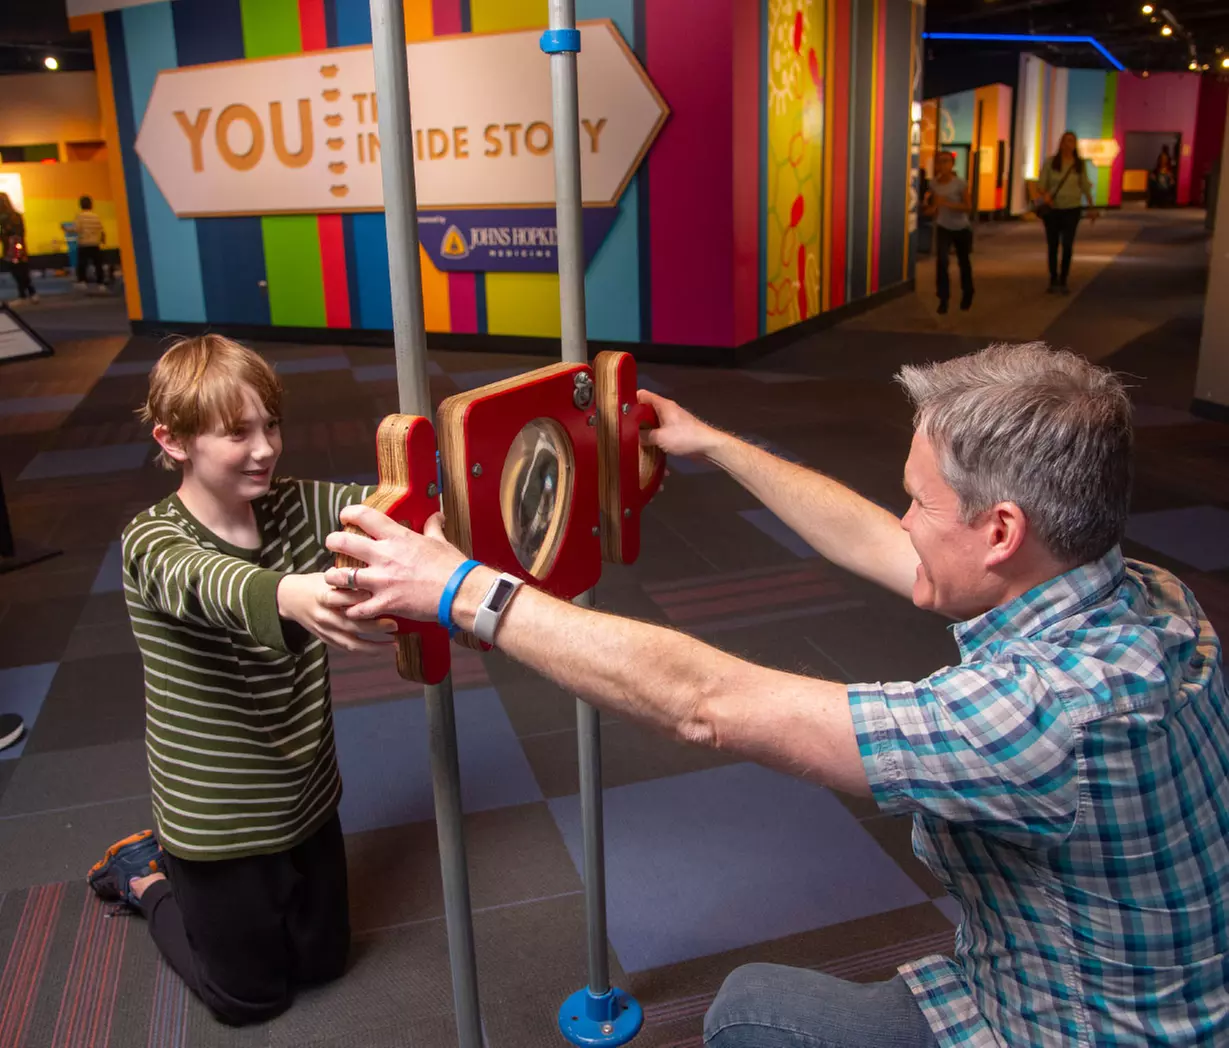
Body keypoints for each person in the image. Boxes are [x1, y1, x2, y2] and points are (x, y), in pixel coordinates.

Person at [325, 343, 1227, 1047]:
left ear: (1000, 531)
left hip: (1060, 1027)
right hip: (1139, 991)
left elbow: (707, 704)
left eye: (919, 501)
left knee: (753, 1010)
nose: (903, 520)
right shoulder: (1147, 597)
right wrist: (715, 442)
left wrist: (458, 591)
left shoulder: (1041, 720)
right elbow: (889, 546)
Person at [85, 335, 396, 1026]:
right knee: (248, 1003)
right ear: (173, 440)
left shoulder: (293, 505)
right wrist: (287, 595)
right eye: (236, 433)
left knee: (325, 967)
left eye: (271, 424)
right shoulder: (152, 540)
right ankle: (145, 876)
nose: (265, 448)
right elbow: (210, 582)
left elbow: (385, 505)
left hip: (305, 795)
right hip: (216, 817)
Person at [1037, 131, 1097, 295]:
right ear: (1061, 143)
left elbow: (1084, 185)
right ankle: (1053, 278)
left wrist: (1091, 207)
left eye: (1072, 141)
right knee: (1053, 245)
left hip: (1072, 209)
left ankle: (1064, 279)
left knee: (1068, 245)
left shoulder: (1079, 164)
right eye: (1066, 141)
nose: (1069, 144)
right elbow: (1041, 184)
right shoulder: (1051, 163)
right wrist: (1045, 195)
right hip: (1053, 210)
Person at [924, 151, 973, 314]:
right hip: (943, 226)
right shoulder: (934, 184)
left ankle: (968, 292)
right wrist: (931, 209)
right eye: (939, 162)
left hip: (961, 228)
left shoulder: (959, 183)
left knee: (963, 262)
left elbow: (968, 207)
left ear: (952, 164)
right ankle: (943, 298)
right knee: (942, 261)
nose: (943, 165)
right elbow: (933, 207)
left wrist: (946, 203)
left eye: (946, 162)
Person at [0, 193, 39, 305]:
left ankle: (25, 295)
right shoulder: (16, 215)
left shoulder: (4, 217)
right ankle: (30, 294)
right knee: (22, 271)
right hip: (20, 247)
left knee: (17, 271)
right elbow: (22, 232)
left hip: (11, 249)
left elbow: (5, 233)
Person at [72, 195, 108, 287]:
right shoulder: (96, 216)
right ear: (91, 204)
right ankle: (101, 283)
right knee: (98, 264)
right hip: (95, 243)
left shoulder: (79, 216)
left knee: (82, 264)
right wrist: (103, 241)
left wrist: (66, 229)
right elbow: (101, 230)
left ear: (80, 205)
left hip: (84, 243)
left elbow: (76, 229)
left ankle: (82, 282)